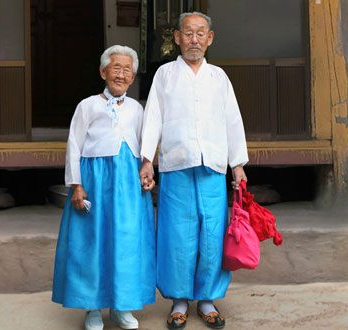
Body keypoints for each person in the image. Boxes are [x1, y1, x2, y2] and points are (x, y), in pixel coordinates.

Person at [139, 12, 249, 330]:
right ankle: (179, 301)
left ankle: (207, 300)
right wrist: (147, 159)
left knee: (212, 234)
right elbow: (153, 118)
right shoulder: (164, 75)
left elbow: (233, 120)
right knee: (177, 235)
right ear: (177, 37)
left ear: (210, 38)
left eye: (201, 33)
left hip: (213, 165)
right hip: (176, 165)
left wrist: (237, 164)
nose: (194, 40)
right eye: (188, 33)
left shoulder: (219, 78)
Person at [52, 45, 156, 330]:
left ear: (133, 77)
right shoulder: (87, 106)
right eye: (116, 68)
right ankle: (93, 308)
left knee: (126, 242)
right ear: (103, 72)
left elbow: (145, 148)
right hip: (95, 181)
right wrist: (76, 185)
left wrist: (147, 172)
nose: (121, 75)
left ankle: (122, 306)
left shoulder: (137, 109)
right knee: (92, 241)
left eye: (127, 70)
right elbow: (74, 146)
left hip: (128, 184)